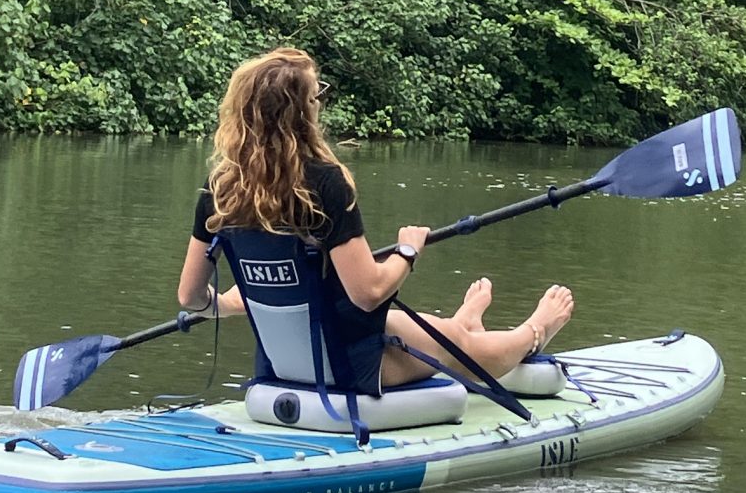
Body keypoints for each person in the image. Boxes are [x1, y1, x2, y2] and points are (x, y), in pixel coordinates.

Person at [174, 46, 571, 393]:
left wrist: (223, 304)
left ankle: (463, 321)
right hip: (350, 367)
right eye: (316, 97)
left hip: (281, 366)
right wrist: (407, 250)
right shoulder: (326, 183)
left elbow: (190, 298)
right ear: (300, 113)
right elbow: (368, 292)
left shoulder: (220, 190)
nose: (319, 104)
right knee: (460, 351)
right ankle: (533, 332)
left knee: (430, 328)